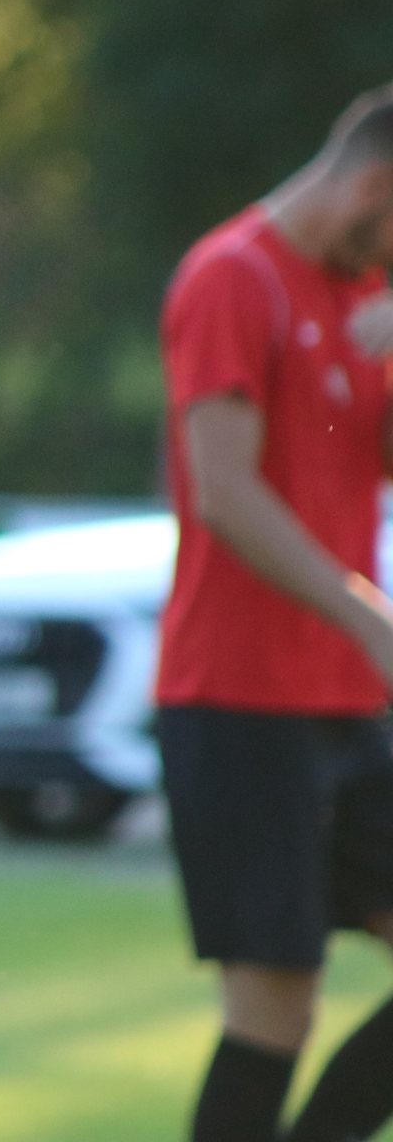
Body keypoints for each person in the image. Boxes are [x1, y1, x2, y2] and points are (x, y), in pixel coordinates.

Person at [158, 85, 393, 1142]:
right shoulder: (232, 275)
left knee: (286, 1006)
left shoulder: (363, 290)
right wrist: (365, 615)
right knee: (275, 1008)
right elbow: (226, 491)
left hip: (346, 700)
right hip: (240, 698)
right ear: (376, 187)